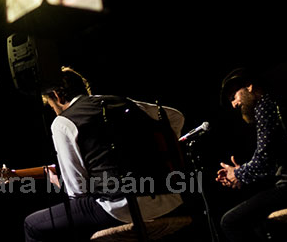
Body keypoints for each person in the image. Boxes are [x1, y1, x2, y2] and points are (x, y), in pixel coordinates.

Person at [24, 67, 186, 241]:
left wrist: (58, 183)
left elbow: (78, 192)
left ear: (57, 95)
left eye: (51, 105)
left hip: (120, 209)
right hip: (171, 199)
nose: (54, 110)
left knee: (32, 225)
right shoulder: (122, 101)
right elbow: (175, 117)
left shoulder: (62, 122)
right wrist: (161, 148)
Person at [216, 68, 287, 242]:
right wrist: (240, 174)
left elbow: (263, 161)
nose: (234, 105)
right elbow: (271, 161)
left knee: (229, 222)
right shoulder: (273, 104)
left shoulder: (265, 106)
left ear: (249, 87)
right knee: (256, 222)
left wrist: (237, 173)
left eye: (234, 97)